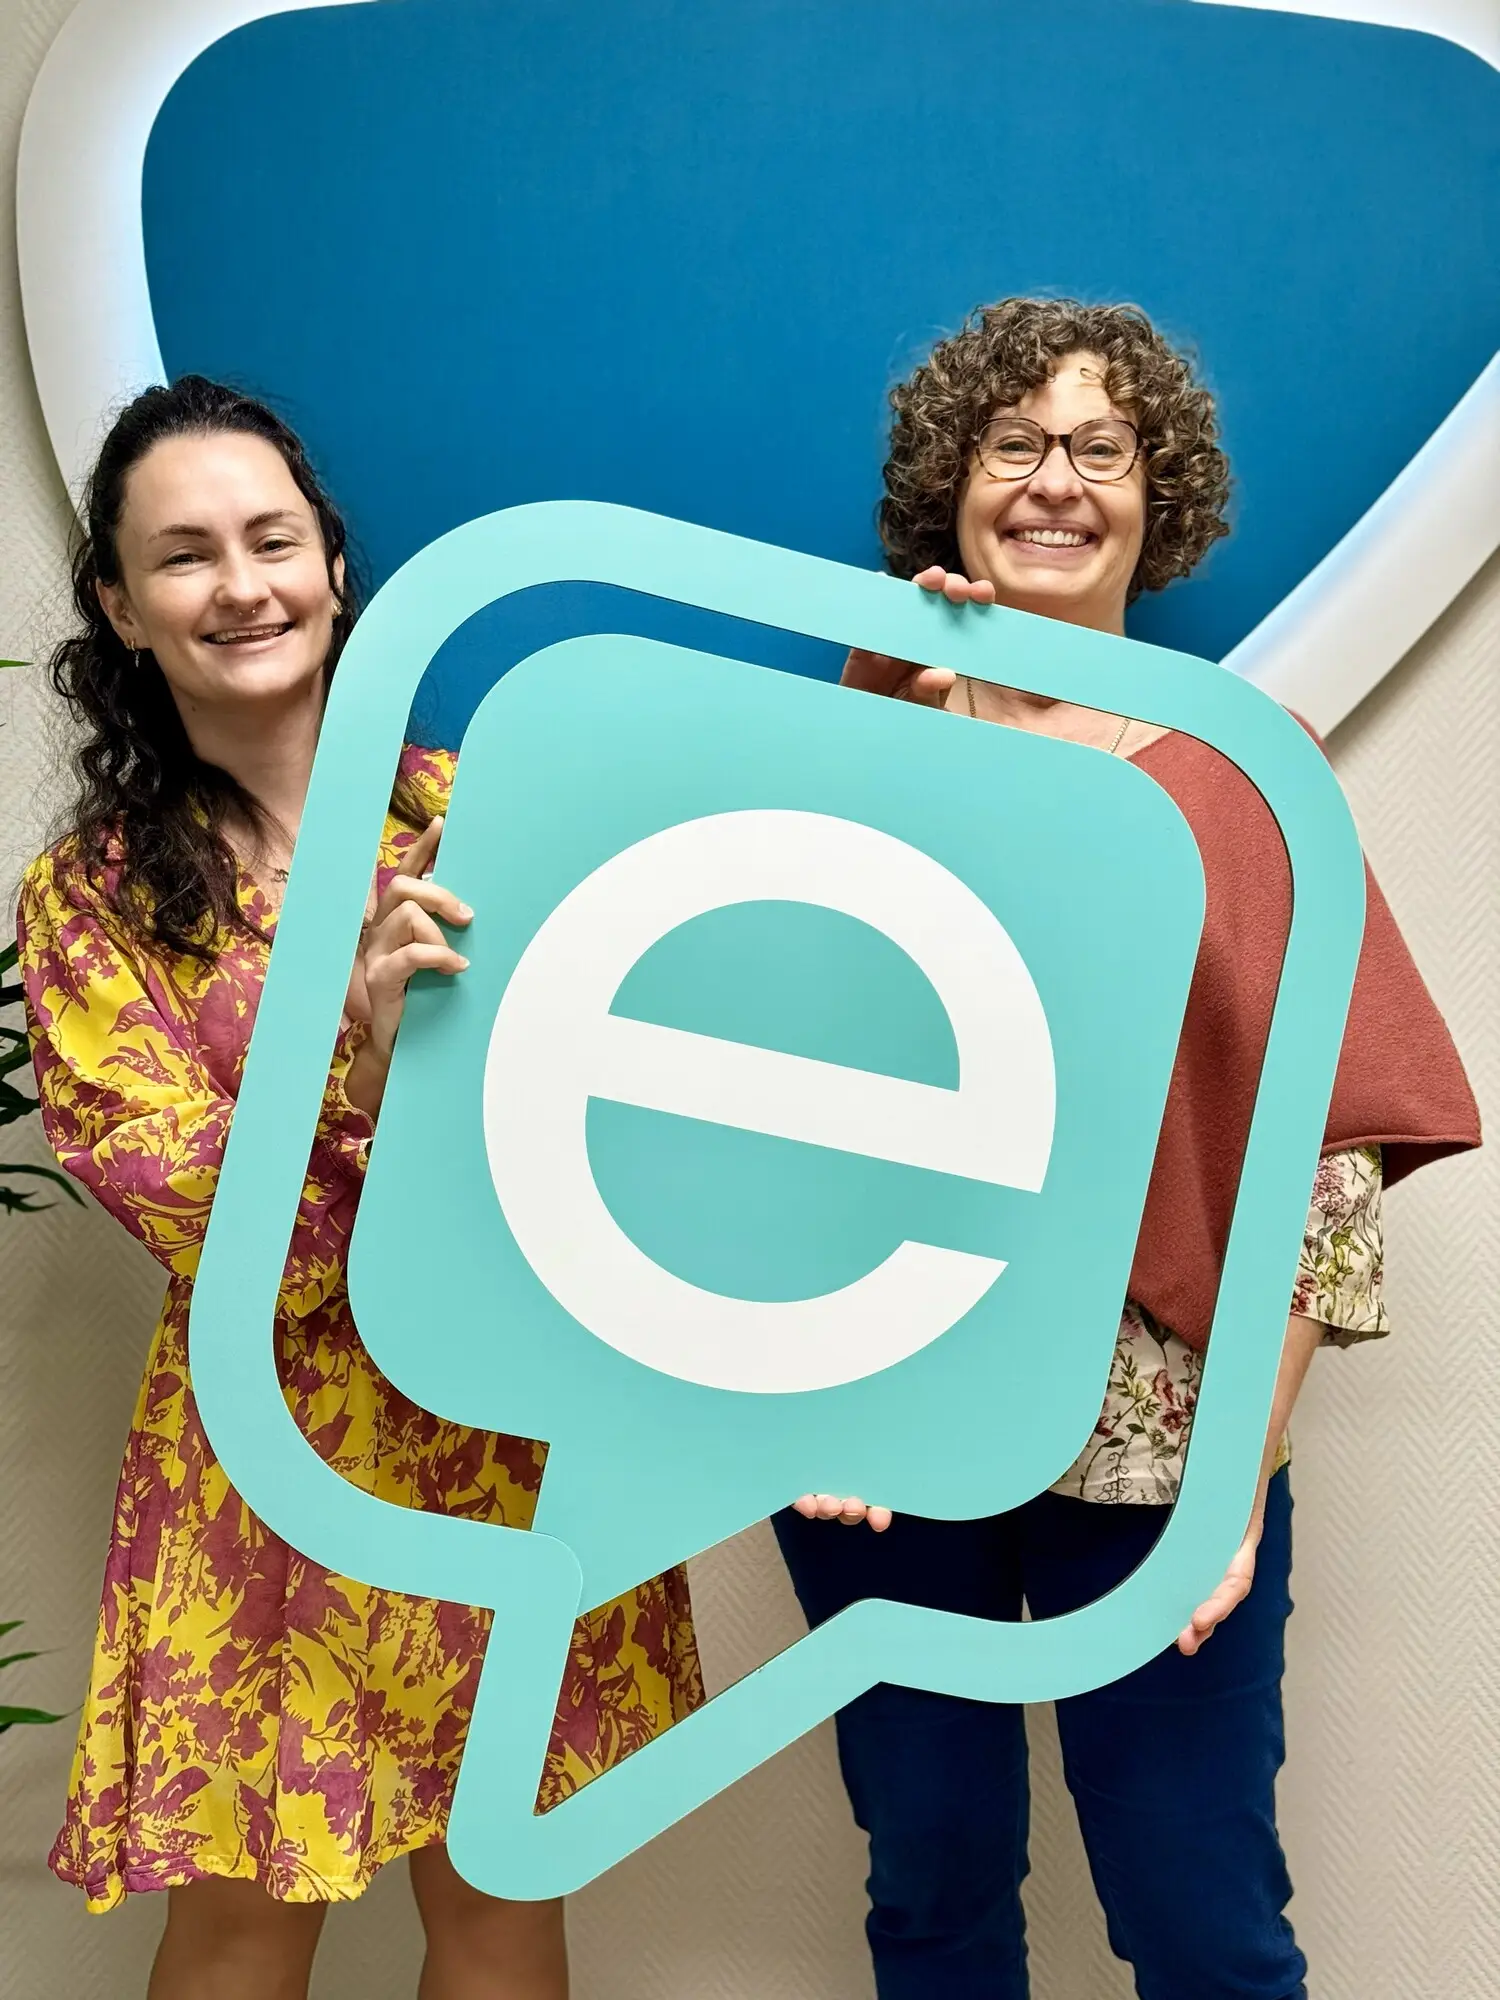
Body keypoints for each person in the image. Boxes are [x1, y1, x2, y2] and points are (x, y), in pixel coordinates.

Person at [774, 297, 1481, 2000]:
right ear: (948, 487)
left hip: (1159, 1447)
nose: (1056, 481)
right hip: (886, 1426)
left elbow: (1329, 1158)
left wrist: (1236, 1478)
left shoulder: (1249, 772)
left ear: (1160, 499)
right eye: (1014, 443)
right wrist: (801, 1386)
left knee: (1199, 1923)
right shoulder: (858, 742)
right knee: (931, 1890)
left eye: (1102, 447)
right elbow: (755, 1085)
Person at [17, 376, 702, 2000]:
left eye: (271, 540)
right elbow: (181, 1199)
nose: (239, 584)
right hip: (269, 1469)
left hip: (506, 1446)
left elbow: (627, 1131)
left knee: (502, 1908)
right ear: (119, 606)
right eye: (184, 555)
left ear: (332, 564)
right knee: (242, 1932)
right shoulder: (89, 898)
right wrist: (375, 1091)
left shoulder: (495, 812)